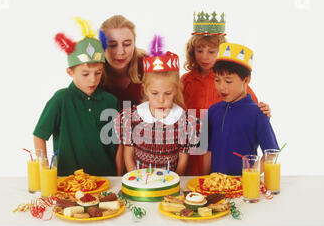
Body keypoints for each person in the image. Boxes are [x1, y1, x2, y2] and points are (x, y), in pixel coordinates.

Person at [181, 11, 271, 176]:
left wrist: (264, 112)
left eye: (211, 51)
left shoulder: (233, 82)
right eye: (199, 50)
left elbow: (250, 111)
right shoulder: (185, 81)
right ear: (192, 51)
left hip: (222, 150)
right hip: (192, 151)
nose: (205, 57)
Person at [33, 17, 123, 177]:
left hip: (106, 179)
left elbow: (118, 144)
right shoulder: (61, 99)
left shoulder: (111, 101)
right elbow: (39, 135)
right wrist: (45, 169)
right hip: (69, 180)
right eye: (85, 74)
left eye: (98, 73)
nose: (93, 79)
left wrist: (118, 175)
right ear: (70, 72)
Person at [114, 36, 197, 176]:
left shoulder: (183, 120)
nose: (161, 100)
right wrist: (137, 179)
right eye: (154, 93)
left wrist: (173, 182)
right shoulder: (132, 118)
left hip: (169, 185)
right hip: (141, 184)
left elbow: (183, 160)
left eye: (168, 93)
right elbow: (128, 155)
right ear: (145, 89)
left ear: (176, 90)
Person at [202, 42, 279, 176]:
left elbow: (271, 153)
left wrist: (250, 177)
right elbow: (208, 152)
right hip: (216, 187)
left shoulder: (257, 113)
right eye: (217, 80)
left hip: (244, 188)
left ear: (246, 80)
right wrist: (203, 180)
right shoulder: (212, 111)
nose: (221, 87)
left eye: (228, 81)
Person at [99, 15, 146, 107]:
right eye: (112, 45)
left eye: (127, 44)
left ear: (134, 44)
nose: (121, 52)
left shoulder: (149, 65)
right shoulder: (91, 69)